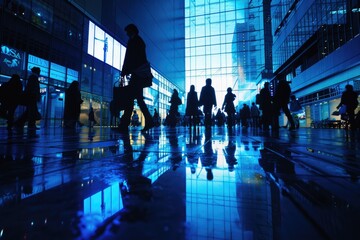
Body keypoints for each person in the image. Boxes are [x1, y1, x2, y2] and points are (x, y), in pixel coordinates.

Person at [118, 23, 153, 133]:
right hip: (139, 74)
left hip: (137, 74)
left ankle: (124, 125)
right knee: (138, 98)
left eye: (128, 31)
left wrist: (125, 71)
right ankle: (149, 121)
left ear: (131, 31)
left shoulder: (134, 42)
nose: (127, 34)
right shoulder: (139, 41)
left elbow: (129, 58)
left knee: (130, 98)